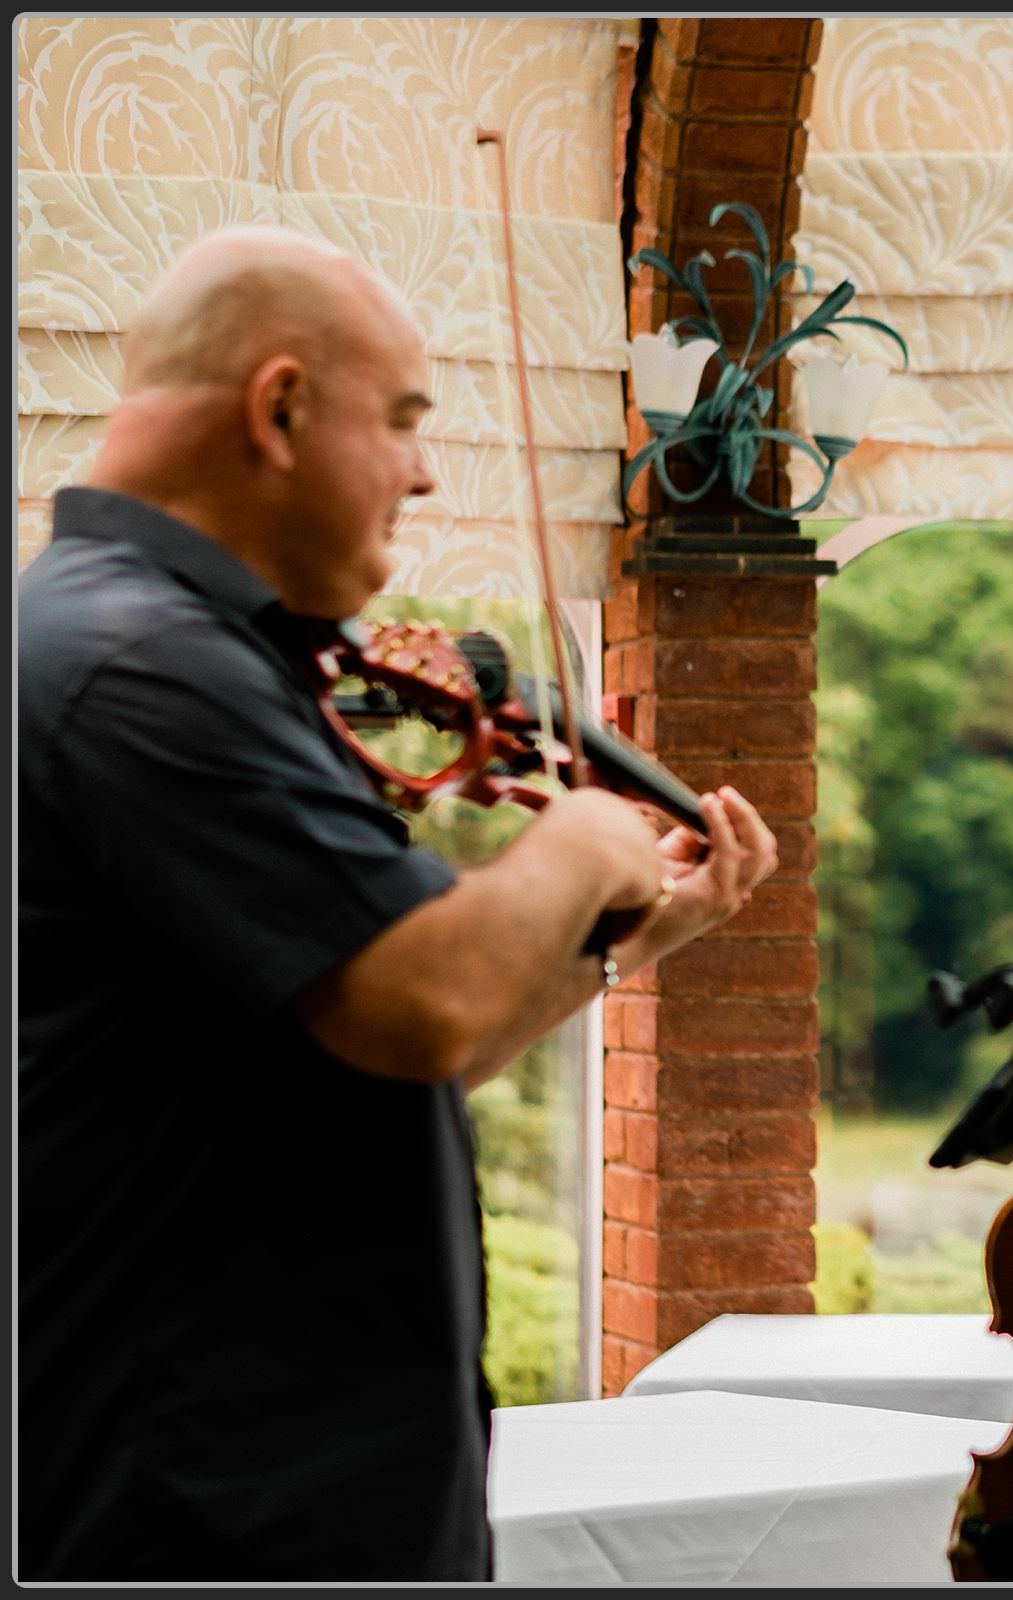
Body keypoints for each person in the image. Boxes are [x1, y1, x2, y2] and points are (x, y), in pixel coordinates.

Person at [19, 226, 780, 1579]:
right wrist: (585, 837)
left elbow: (373, 1054)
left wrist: (629, 940)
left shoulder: (163, 647)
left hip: (290, 1483)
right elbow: (417, 999)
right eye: (408, 422)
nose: (426, 472)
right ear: (281, 406)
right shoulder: (140, 663)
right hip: (206, 1506)